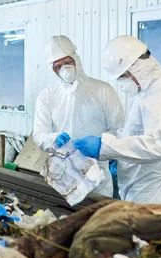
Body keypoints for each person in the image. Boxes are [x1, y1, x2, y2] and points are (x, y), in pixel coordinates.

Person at [73, 35, 161, 204]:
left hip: (158, 193)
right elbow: (133, 131)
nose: (121, 83)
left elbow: (156, 146)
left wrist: (104, 146)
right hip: (142, 186)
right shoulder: (145, 90)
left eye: (122, 77)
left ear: (136, 68)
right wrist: (117, 154)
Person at [33, 35, 124, 197]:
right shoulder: (47, 96)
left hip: (98, 180)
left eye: (67, 62)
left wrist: (101, 144)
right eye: (57, 66)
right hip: (63, 179)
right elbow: (39, 135)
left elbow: (120, 129)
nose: (64, 69)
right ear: (52, 70)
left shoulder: (103, 91)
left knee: (96, 220)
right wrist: (53, 139)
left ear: (76, 59)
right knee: (63, 220)